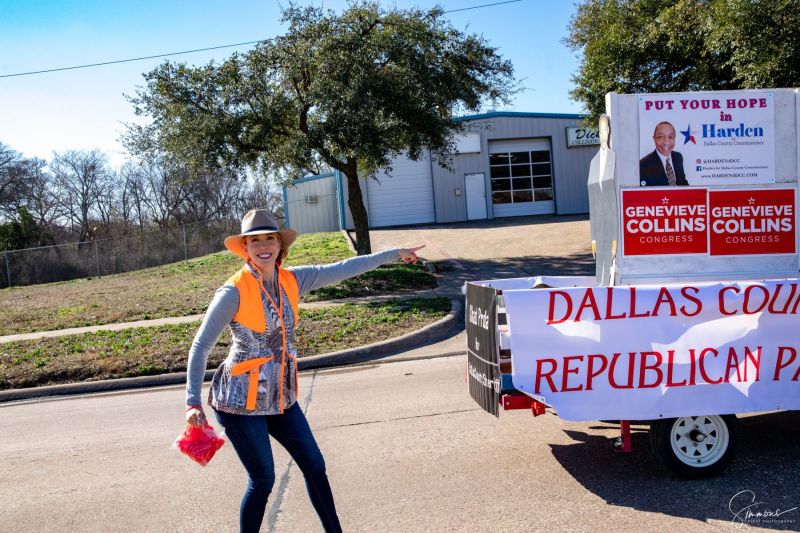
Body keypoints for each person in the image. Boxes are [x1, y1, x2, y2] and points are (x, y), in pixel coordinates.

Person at [185, 209, 424, 533]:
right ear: (245, 248)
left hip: (281, 398)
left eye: (270, 238)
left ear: (280, 245)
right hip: (240, 404)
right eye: (255, 241)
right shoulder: (233, 292)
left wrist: (393, 253)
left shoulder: (292, 279)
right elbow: (199, 347)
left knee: (315, 465)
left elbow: (343, 268)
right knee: (263, 480)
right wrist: (192, 402)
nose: (263, 246)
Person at [639, 121, 688, 187]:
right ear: (654, 139)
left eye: (670, 137)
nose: (666, 142)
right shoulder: (643, 165)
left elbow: (683, 184)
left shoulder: (678, 157)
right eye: (660, 137)